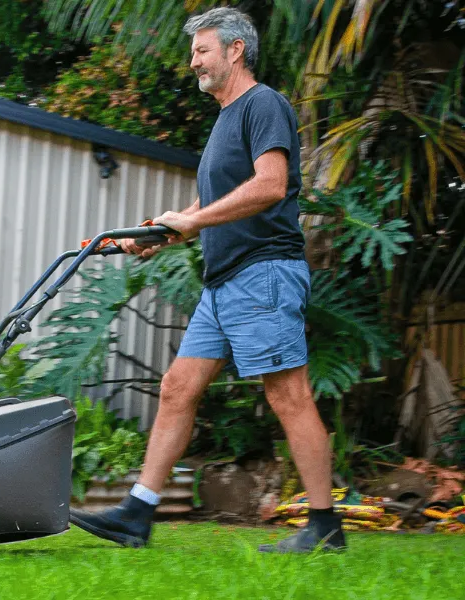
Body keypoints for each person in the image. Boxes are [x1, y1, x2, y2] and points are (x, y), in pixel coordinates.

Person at [69, 6, 345, 554]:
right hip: (223, 284)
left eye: (202, 50)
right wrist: (148, 237)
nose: (193, 60)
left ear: (235, 50)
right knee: (177, 389)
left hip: (263, 272)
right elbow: (206, 210)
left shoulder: (262, 104)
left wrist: (193, 219)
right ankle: (138, 512)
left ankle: (324, 526)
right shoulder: (224, 120)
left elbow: (271, 185)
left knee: (288, 394)